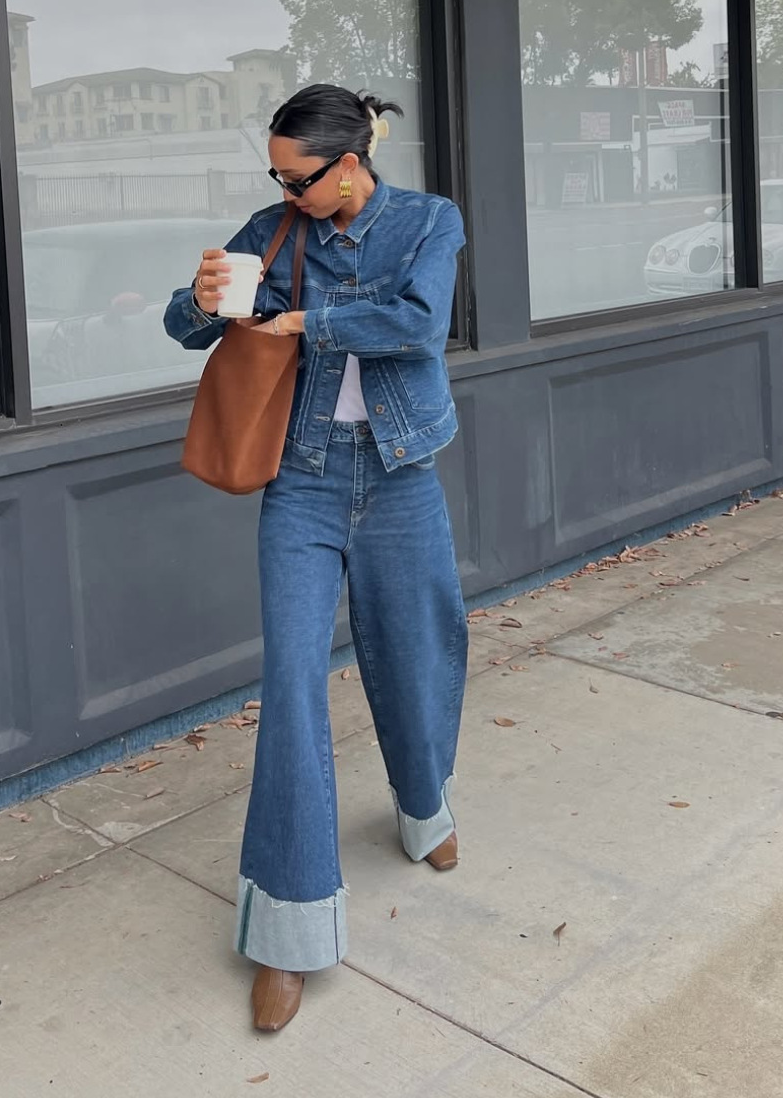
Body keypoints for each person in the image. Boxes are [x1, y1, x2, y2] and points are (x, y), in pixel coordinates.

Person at [164, 84, 468, 1033]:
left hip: (401, 472)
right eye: (274, 175)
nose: (280, 191)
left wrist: (309, 322)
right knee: (294, 686)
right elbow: (185, 323)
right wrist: (205, 300)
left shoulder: (427, 220)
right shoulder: (274, 224)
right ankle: (289, 932)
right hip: (300, 481)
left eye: (294, 177)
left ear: (348, 165)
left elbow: (420, 324)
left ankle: (423, 807)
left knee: (420, 655)